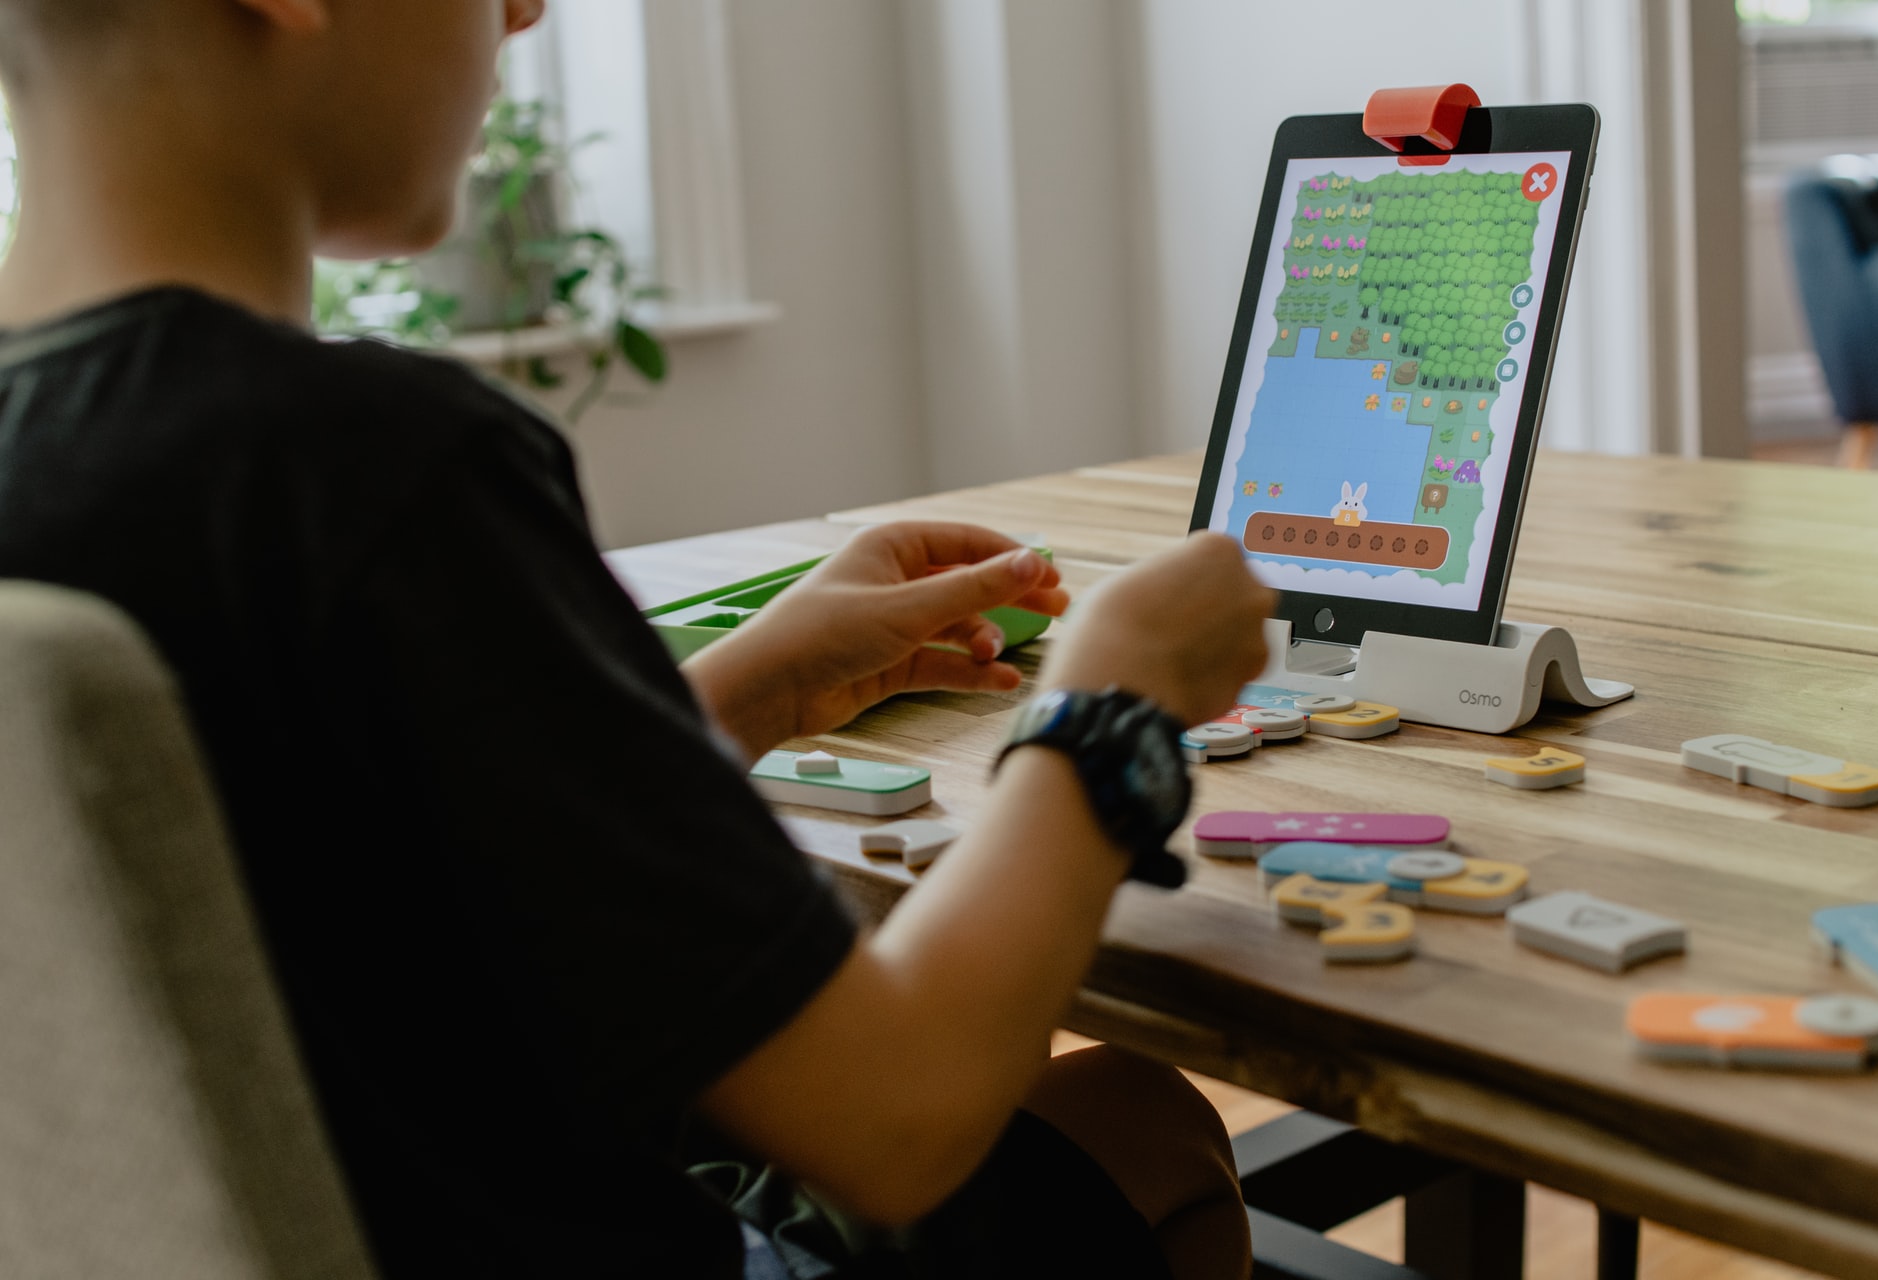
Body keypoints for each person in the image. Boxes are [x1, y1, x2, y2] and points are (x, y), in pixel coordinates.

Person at [0, 2, 1275, 1277]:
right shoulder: (367, 470)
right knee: (1139, 1118)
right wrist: (1109, 704)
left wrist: (742, 685)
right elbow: (899, 1115)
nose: (524, 10)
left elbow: (335, 845)